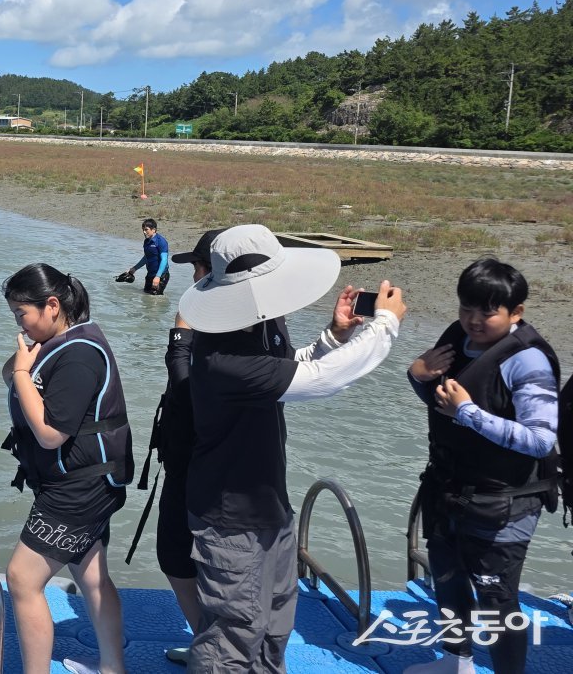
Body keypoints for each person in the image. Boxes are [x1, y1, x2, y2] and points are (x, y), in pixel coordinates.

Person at [177, 223, 406, 673]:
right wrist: (385, 324)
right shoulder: (220, 356)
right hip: (228, 520)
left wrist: (334, 335)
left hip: (269, 506)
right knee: (231, 637)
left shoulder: (261, 323)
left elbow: (286, 370)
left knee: (275, 625)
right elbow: (319, 382)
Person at [404, 259, 559, 674]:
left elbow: (541, 439)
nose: (473, 320)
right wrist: (417, 377)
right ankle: (457, 662)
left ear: (516, 313)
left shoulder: (527, 362)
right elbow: (443, 408)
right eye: (466, 308)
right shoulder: (456, 341)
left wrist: (468, 413)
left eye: (487, 312)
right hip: (448, 488)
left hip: (501, 505)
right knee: (448, 579)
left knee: (497, 601)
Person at [0, 264, 133, 674]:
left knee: (22, 578)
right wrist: (22, 364)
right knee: (91, 576)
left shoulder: (79, 356)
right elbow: (9, 376)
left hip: (80, 489)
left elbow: (50, 434)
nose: (19, 324)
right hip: (84, 482)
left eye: (22, 314)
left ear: (52, 305)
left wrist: (24, 371)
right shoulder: (62, 341)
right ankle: (113, 668)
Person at [151, 228, 224, 664]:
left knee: (194, 558)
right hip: (187, 460)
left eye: (197, 268)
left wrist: (179, 338)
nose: (192, 277)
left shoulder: (228, 326)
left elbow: (186, 387)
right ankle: (208, 640)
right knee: (177, 554)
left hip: (206, 467)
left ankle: (217, 648)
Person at [119, 218, 170, 295]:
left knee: (155, 298)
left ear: (154, 230)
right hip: (150, 274)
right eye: (143, 229)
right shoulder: (146, 241)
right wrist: (134, 268)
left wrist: (158, 277)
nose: (144, 232)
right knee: (146, 295)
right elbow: (146, 258)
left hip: (161, 276)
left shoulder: (161, 242)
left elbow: (164, 260)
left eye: (146, 229)